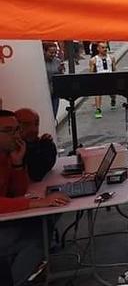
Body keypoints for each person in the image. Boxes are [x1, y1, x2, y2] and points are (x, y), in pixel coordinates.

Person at [0, 110, 70, 286]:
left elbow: (17, 192)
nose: (17, 135)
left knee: (45, 220)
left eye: (17, 129)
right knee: (36, 237)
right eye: (9, 131)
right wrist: (38, 202)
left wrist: (17, 163)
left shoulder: (6, 155)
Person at [13, 109, 56, 183]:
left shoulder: (41, 143)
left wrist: (47, 145)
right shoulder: (12, 149)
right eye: (26, 125)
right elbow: (36, 175)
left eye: (36, 124)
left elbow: (48, 166)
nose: (33, 129)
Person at [90, 42, 117, 118]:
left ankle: (113, 100)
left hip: (109, 77)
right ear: (98, 48)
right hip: (99, 78)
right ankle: (98, 109)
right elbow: (91, 72)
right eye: (103, 47)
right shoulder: (93, 59)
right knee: (98, 93)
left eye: (106, 47)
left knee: (113, 94)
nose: (105, 49)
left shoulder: (111, 58)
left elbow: (114, 69)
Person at [43, 42, 64, 117]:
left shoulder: (57, 61)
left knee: (54, 114)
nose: (53, 55)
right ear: (44, 51)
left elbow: (60, 77)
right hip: (44, 93)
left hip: (55, 92)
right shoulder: (40, 62)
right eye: (51, 53)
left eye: (55, 53)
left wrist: (61, 70)